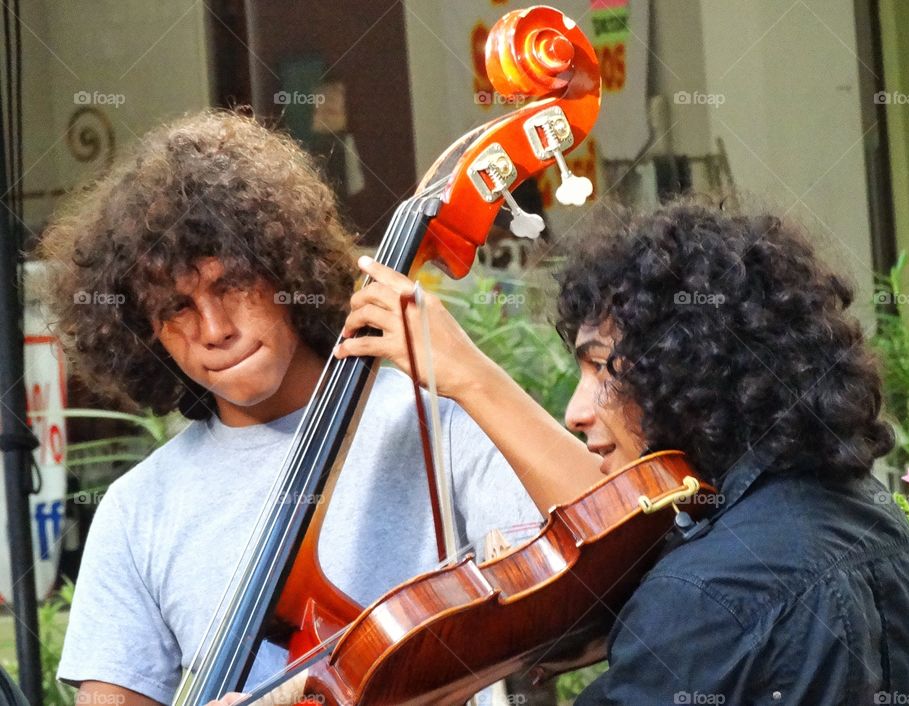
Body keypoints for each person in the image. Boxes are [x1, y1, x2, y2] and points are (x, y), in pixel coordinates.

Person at [40, 110, 546, 706]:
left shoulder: (438, 421)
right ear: (142, 330)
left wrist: (476, 380)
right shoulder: (136, 511)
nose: (214, 329)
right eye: (175, 308)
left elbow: (614, 561)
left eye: (232, 285)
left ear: (286, 268)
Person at [335, 199, 909, 705]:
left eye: (601, 370)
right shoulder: (871, 516)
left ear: (692, 369)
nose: (576, 410)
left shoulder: (699, 594)